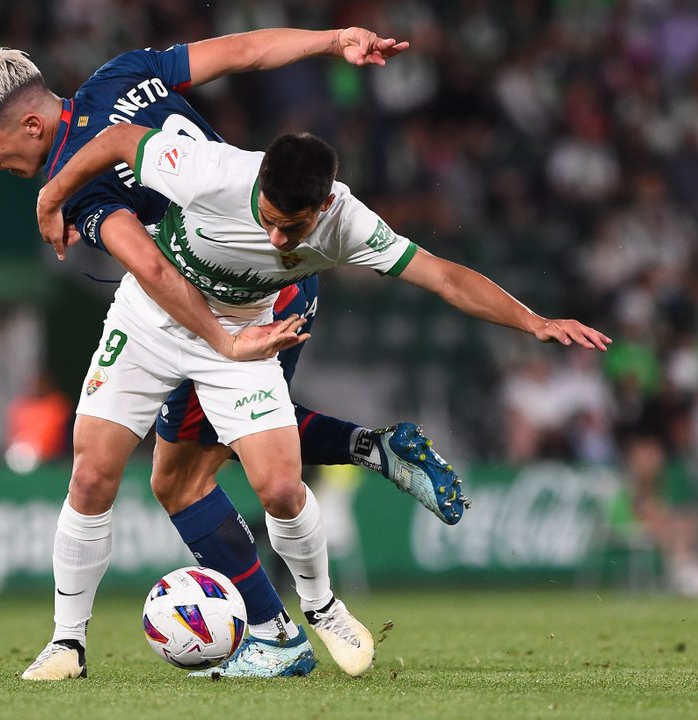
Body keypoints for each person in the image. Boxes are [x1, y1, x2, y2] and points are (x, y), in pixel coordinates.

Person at [35, 125, 613, 678]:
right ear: (259, 184)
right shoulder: (208, 170)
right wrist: (52, 196)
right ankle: (67, 643)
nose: (278, 240)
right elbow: (113, 140)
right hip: (149, 322)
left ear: (324, 207)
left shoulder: (349, 223)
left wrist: (533, 322)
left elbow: (443, 278)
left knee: (282, 488)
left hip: (245, 337)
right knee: (90, 477)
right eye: (268, 221)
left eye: (293, 228)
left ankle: (322, 608)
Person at [0, 28, 437, 681]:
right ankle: (72, 644)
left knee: (192, 478)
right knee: (124, 471)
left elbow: (154, 268)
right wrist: (330, 41)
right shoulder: (123, 73)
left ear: (33, 125)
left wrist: (222, 342)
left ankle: (296, 618)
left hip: (240, 300)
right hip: (253, 281)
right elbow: (239, 52)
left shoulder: (85, 183)